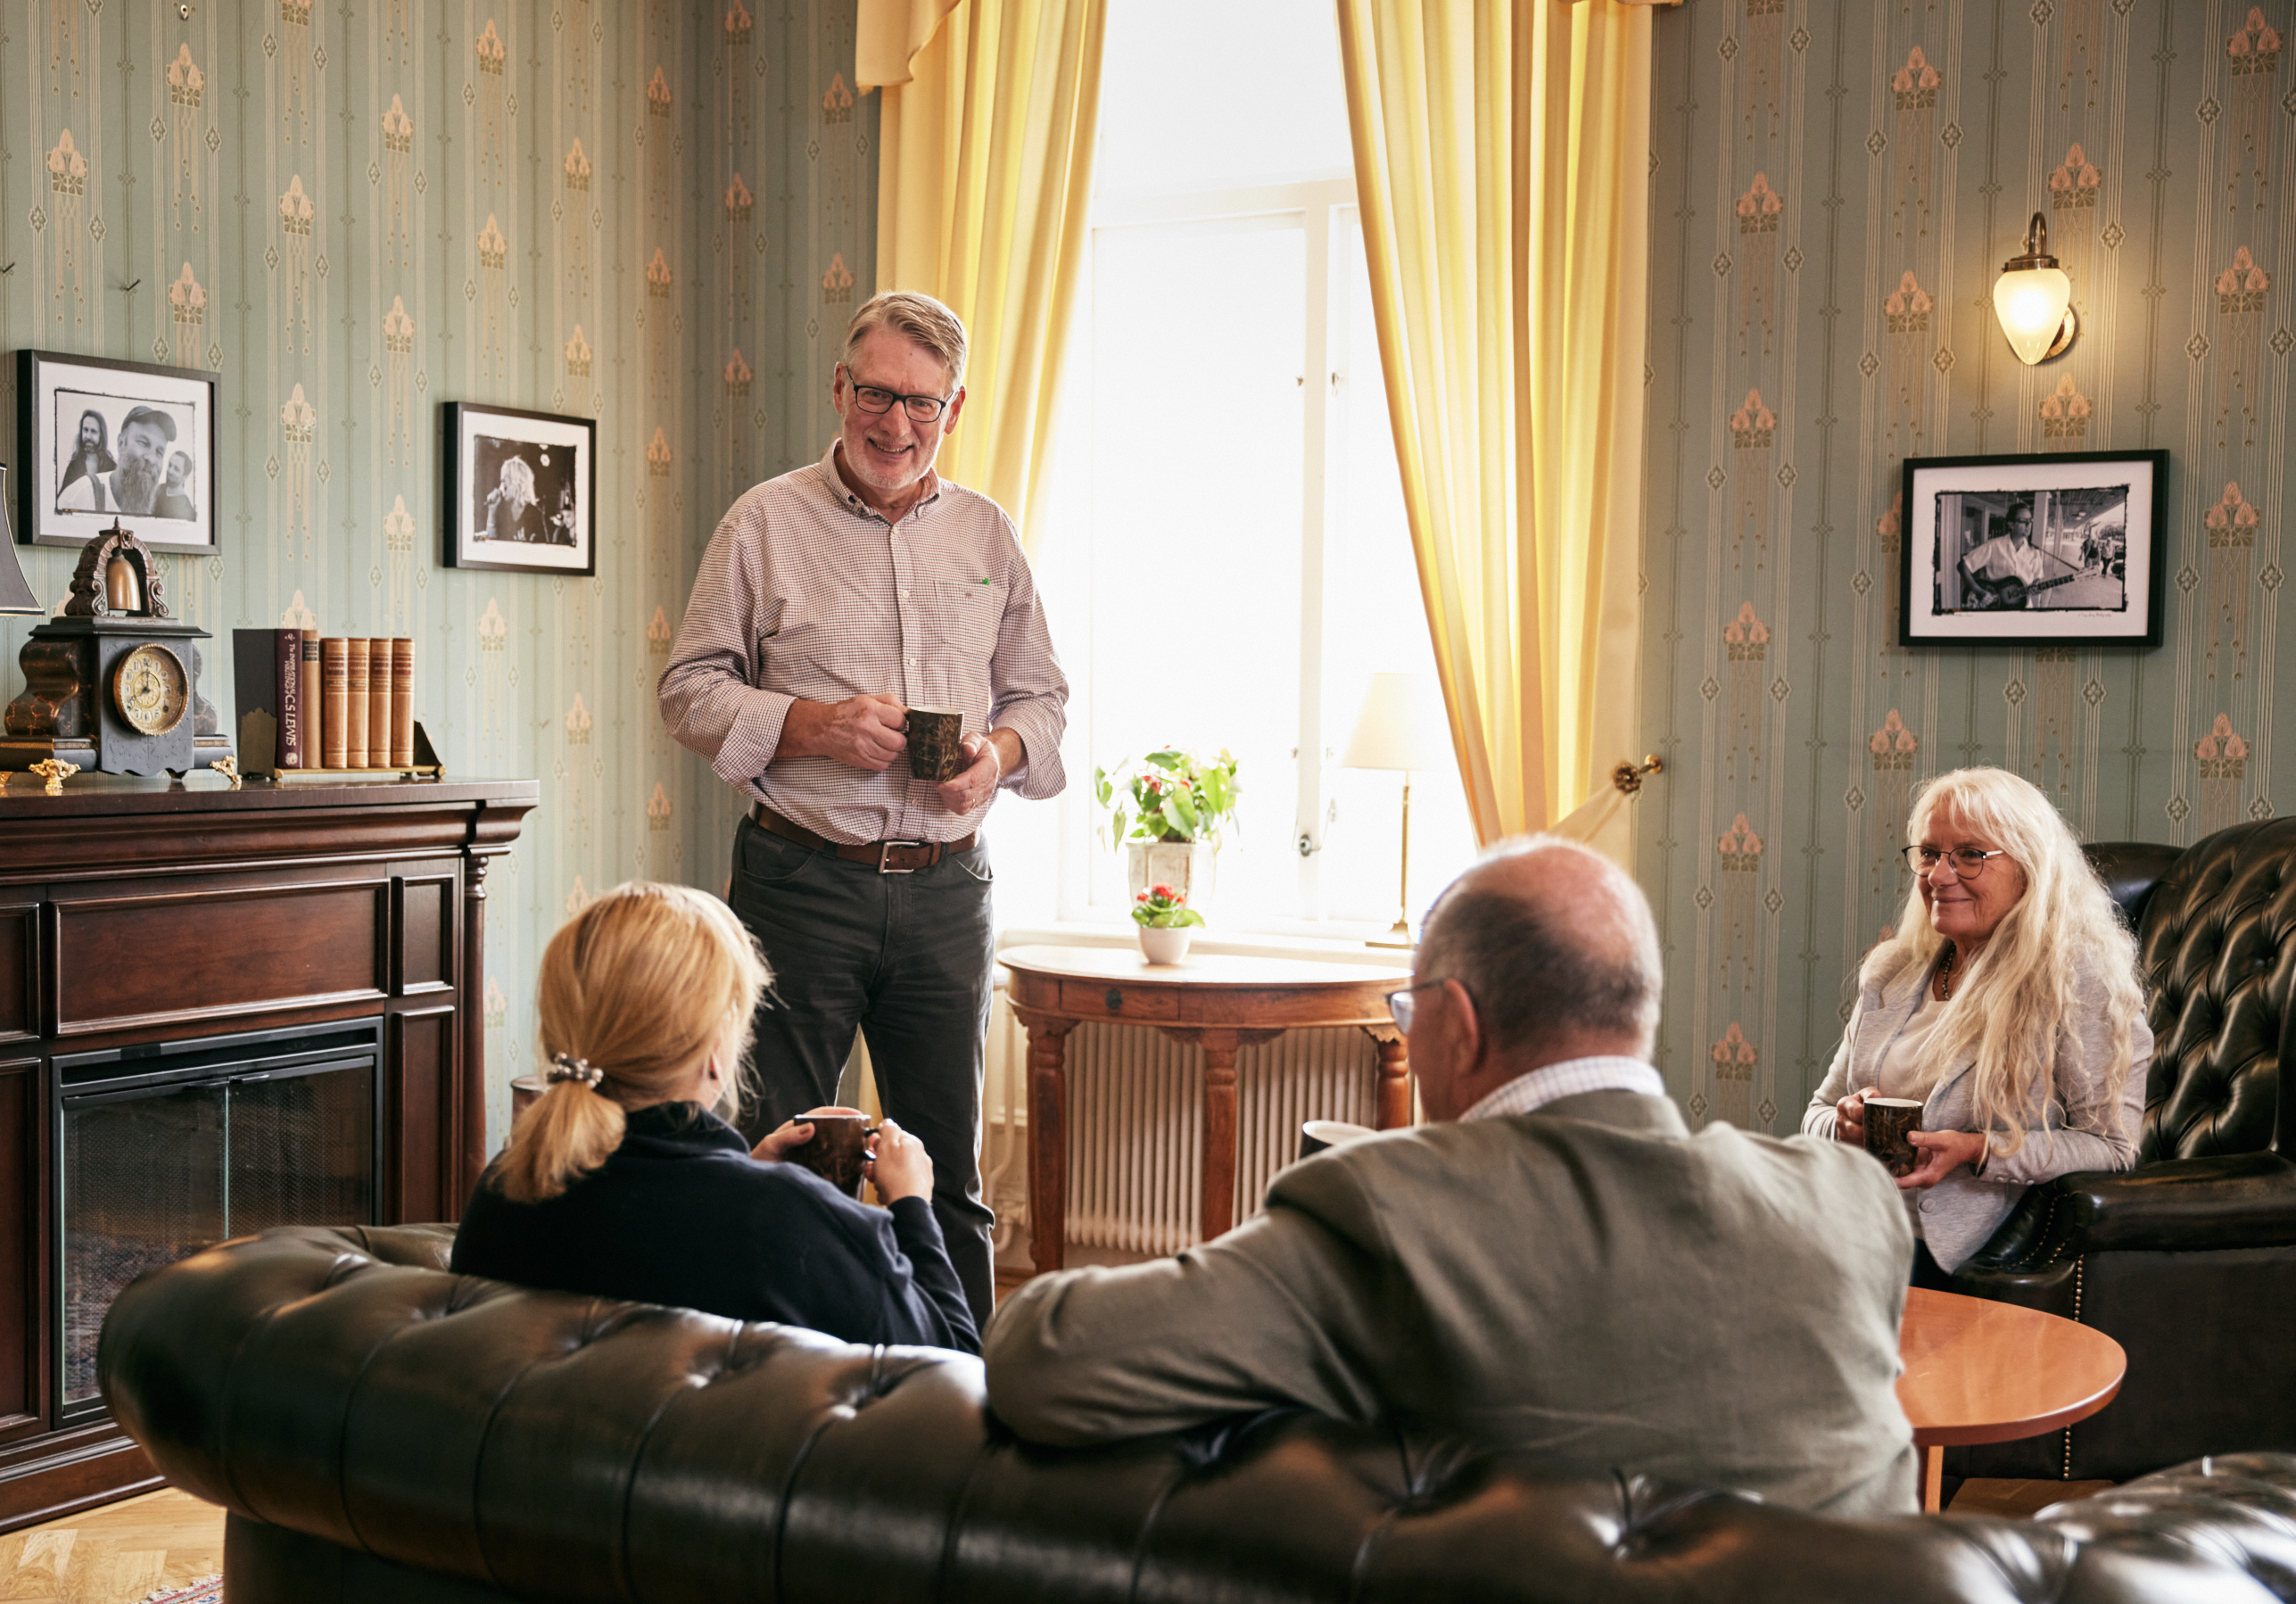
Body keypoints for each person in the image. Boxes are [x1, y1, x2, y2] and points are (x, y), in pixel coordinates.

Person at [982, 838, 1917, 1517]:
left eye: (1407, 1007)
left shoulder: (1388, 1210)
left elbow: (1045, 1360)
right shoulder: (1852, 1204)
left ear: (1459, 1023)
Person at [658, 289, 1070, 1329]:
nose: (897, 425)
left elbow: (1042, 699)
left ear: (956, 407)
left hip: (947, 893)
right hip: (800, 885)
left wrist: (1000, 762)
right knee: (781, 1161)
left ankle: (962, 1412)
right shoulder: (763, 522)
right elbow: (688, 692)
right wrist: (816, 726)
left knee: (952, 1179)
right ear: (841, 388)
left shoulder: (989, 533)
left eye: (923, 404)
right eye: (878, 394)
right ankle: (765, 1397)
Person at [450, 881, 979, 1353]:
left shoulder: (505, 1188)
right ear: (714, 1049)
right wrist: (912, 1207)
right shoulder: (787, 1219)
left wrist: (742, 1169)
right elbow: (952, 1364)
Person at [1804, 766, 2150, 1287]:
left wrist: (1980, 1151)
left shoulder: (2076, 981)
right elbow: (1816, 1114)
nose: (1939, 876)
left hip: (1975, 1261)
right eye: (1929, 853)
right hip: (1855, 1239)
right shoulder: (1892, 972)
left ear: (2029, 869)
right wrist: (1844, 1125)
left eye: (1970, 855)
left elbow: (2113, 1148)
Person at [58, 407, 189, 519]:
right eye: (143, 443)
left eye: (159, 452)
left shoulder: (156, 511)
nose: (152, 459)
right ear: (121, 443)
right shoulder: (77, 499)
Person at [1956, 501, 2052, 608]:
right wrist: (1978, 591)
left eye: (2030, 521)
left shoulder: (2034, 552)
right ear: (2011, 524)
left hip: (2025, 607)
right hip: (1997, 607)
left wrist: (2037, 585)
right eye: (2023, 521)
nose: (2028, 525)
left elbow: (2038, 578)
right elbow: (1963, 565)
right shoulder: (1993, 546)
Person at [480, 449, 539, 541]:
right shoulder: (500, 509)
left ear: (516, 482)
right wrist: (492, 511)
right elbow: (490, 545)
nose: (501, 487)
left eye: (504, 481)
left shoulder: (535, 514)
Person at [56, 408, 115, 499]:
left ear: (101, 435)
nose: (88, 436)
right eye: (85, 430)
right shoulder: (74, 465)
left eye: (93, 431)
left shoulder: (111, 467)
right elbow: (62, 499)